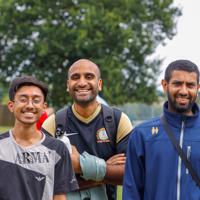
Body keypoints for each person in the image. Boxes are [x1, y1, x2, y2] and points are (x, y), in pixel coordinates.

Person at [41, 59, 133, 200]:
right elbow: (44, 179)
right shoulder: (52, 124)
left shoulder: (118, 120)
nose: (82, 83)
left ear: (99, 84)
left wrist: (80, 166)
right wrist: (105, 167)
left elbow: (129, 174)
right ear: (68, 85)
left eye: (89, 77)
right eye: (75, 77)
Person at [123, 59, 200, 200]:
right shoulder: (142, 134)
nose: (184, 91)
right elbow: (131, 190)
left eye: (190, 85)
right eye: (177, 84)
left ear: (197, 88)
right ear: (165, 85)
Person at [0, 76, 78, 200]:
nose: (30, 105)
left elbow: (59, 196)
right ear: (11, 105)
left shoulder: (57, 149)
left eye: (36, 100)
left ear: (43, 107)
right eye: (23, 99)